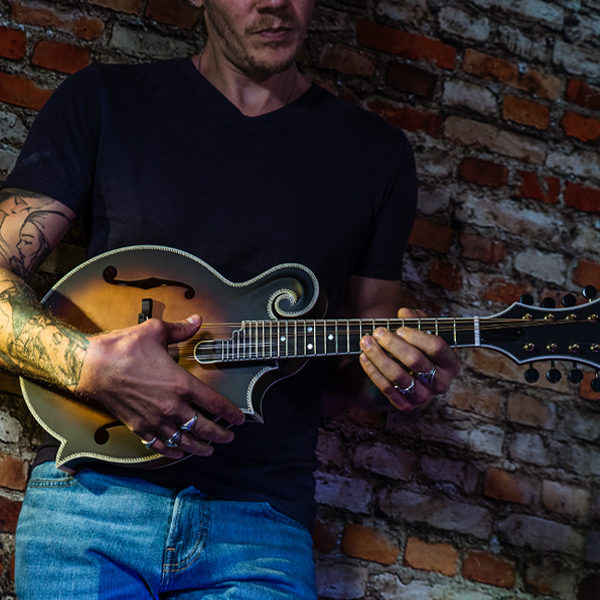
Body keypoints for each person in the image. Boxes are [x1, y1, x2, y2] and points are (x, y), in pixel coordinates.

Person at [0, 0, 460, 597]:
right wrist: (91, 368)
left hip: (260, 529)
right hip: (89, 499)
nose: (274, 3)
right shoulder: (105, 100)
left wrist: (400, 378)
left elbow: (357, 365)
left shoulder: (377, 155)